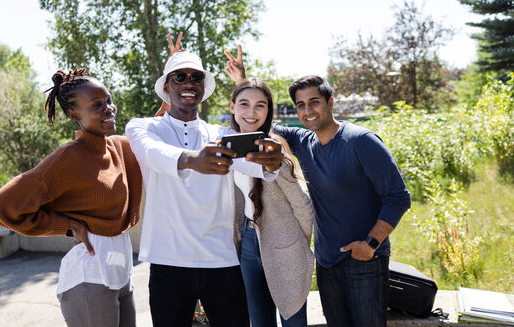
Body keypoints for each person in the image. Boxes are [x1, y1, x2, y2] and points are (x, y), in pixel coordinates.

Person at [226, 51, 411, 327]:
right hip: (327, 261)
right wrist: (243, 81)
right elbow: (257, 121)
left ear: (330, 102)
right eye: (300, 105)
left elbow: (399, 197)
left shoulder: (361, 141)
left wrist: (371, 244)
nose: (307, 111)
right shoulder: (303, 141)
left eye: (314, 102)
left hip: (364, 259)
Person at [124, 34, 284, 327]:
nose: (189, 83)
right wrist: (192, 160)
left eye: (196, 78)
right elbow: (152, 152)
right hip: (168, 259)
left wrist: (271, 162)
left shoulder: (221, 135)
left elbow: (257, 164)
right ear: (166, 87)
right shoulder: (143, 127)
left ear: (203, 88)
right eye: (180, 76)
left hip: (220, 259)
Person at [0, 68, 143, 327]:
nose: (109, 108)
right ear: (74, 114)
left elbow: (155, 137)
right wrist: (66, 225)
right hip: (89, 279)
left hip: (121, 273)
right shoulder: (68, 158)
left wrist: (173, 78)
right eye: (97, 105)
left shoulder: (118, 147)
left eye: (109, 101)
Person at [225, 70, 315, 327]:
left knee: (292, 318)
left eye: (260, 106)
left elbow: (303, 206)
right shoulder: (229, 145)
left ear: (268, 112)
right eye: (244, 104)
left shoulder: (273, 149)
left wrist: (301, 244)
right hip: (248, 242)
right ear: (232, 107)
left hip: (284, 241)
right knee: (259, 321)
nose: (251, 112)